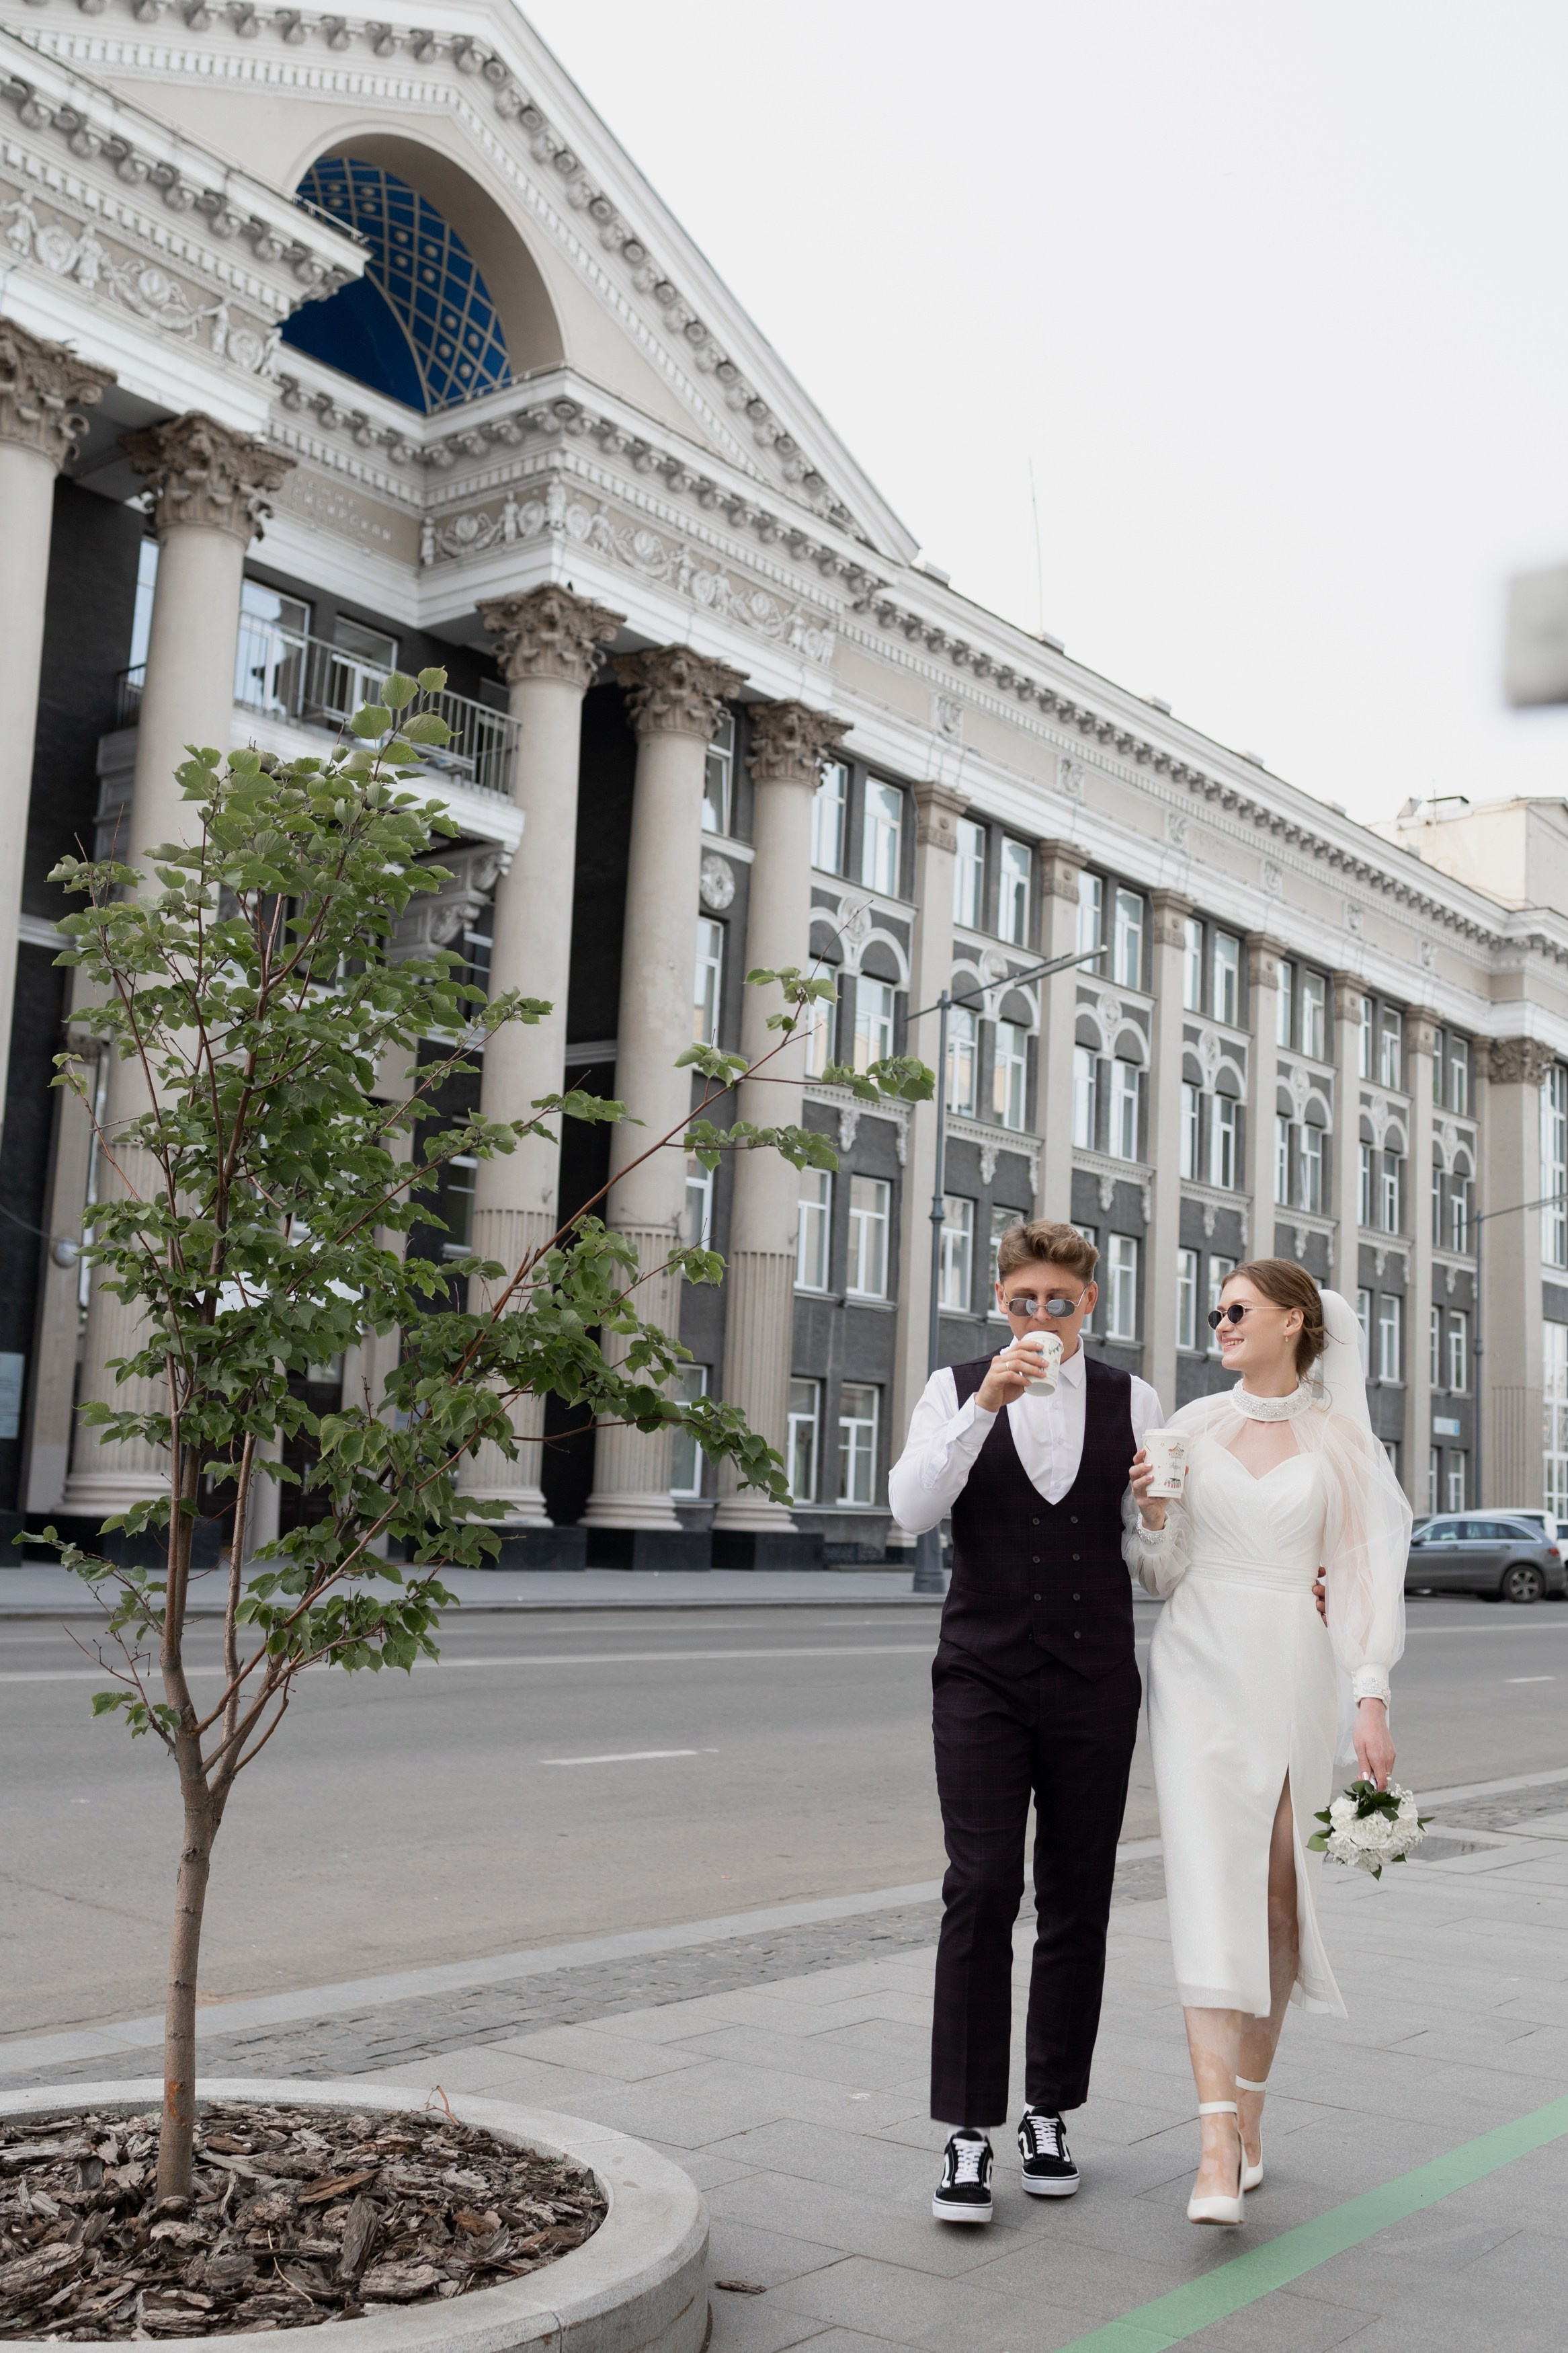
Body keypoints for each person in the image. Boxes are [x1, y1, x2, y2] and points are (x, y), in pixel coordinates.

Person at [889, 1221, 1163, 2225]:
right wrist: (982, 1410)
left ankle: (1049, 2111)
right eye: (1022, 1303)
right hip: (982, 1674)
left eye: (1058, 1303)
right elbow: (911, 1511)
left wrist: (1162, 1516)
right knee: (982, 1886)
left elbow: (1153, 1568)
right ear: (997, 1301)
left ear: (1089, 1303)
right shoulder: (952, 1386)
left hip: (1093, 1677)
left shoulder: (1134, 1400)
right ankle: (967, 2132)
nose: (1039, 1318)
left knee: (1077, 1896)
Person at [1126, 1261, 1408, 2228]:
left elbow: (1365, 1577)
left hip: (1293, 1662)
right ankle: (1210, 2143)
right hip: (1196, 1661)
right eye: (1214, 1310)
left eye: (1237, 1309)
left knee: (1279, 1891)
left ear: (1294, 1321)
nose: (1221, 1322)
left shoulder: (1339, 1441)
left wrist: (1368, 1695)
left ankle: (1248, 2117)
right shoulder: (1190, 1428)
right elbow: (1159, 1573)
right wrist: (1153, 1517)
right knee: (1209, 1882)